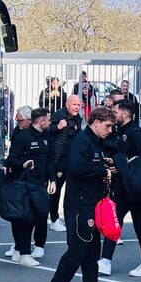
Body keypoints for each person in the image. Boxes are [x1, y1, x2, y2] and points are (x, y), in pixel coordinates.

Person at [38, 107, 119, 282]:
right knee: (76, 252)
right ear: (96, 121)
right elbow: (76, 168)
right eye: (108, 126)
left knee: (92, 253)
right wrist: (103, 170)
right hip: (79, 206)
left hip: (92, 205)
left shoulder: (96, 143)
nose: (110, 130)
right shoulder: (82, 142)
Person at [98, 100, 141, 277]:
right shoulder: (117, 131)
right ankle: (105, 260)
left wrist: (123, 165)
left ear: (125, 113)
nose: (112, 114)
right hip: (121, 185)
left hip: (134, 186)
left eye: (115, 111)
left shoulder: (136, 132)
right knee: (113, 220)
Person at [4, 108, 56, 266]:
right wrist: (23, 164)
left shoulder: (47, 137)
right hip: (24, 184)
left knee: (37, 216)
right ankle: (23, 252)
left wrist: (52, 179)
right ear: (41, 121)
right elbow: (12, 158)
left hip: (40, 184)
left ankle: (25, 249)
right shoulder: (23, 137)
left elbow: (49, 161)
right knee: (24, 218)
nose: (50, 122)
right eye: (48, 120)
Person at [47, 95, 83, 232]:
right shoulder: (58, 116)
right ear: (67, 104)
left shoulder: (78, 118)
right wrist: (57, 127)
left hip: (72, 160)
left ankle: (70, 218)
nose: (76, 108)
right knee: (55, 191)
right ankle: (54, 219)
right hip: (59, 160)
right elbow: (47, 130)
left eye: (78, 105)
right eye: (74, 105)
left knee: (72, 191)